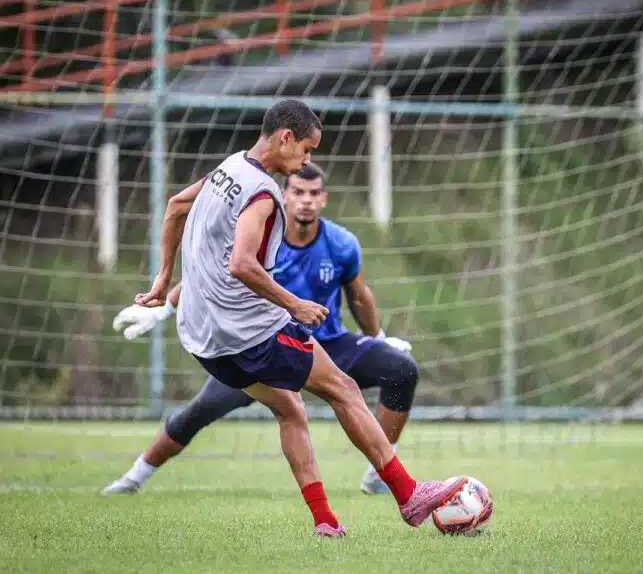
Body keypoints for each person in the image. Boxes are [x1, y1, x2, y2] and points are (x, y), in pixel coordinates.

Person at [116, 99, 464, 537]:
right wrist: (294, 305)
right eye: (306, 150)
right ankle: (409, 494)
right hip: (253, 333)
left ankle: (325, 522)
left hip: (203, 338)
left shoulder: (227, 169)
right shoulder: (263, 194)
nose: (307, 161)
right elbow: (242, 264)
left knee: (290, 410)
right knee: (344, 389)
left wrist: (164, 279)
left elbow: (174, 206)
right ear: (284, 138)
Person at [102, 163, 420, 496]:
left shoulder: (342, 244)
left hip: (327, 344)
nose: (306, 201)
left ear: (324, 199)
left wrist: (379, 339)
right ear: (285, 194)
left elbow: (359, 297)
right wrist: (165, 307)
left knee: (402, 370)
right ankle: (134, 477)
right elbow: (214, 277)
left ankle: (378, 475)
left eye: (313, 194)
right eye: (298, 192)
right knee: (200, 411)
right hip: (263, 345)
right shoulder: (263, 237)